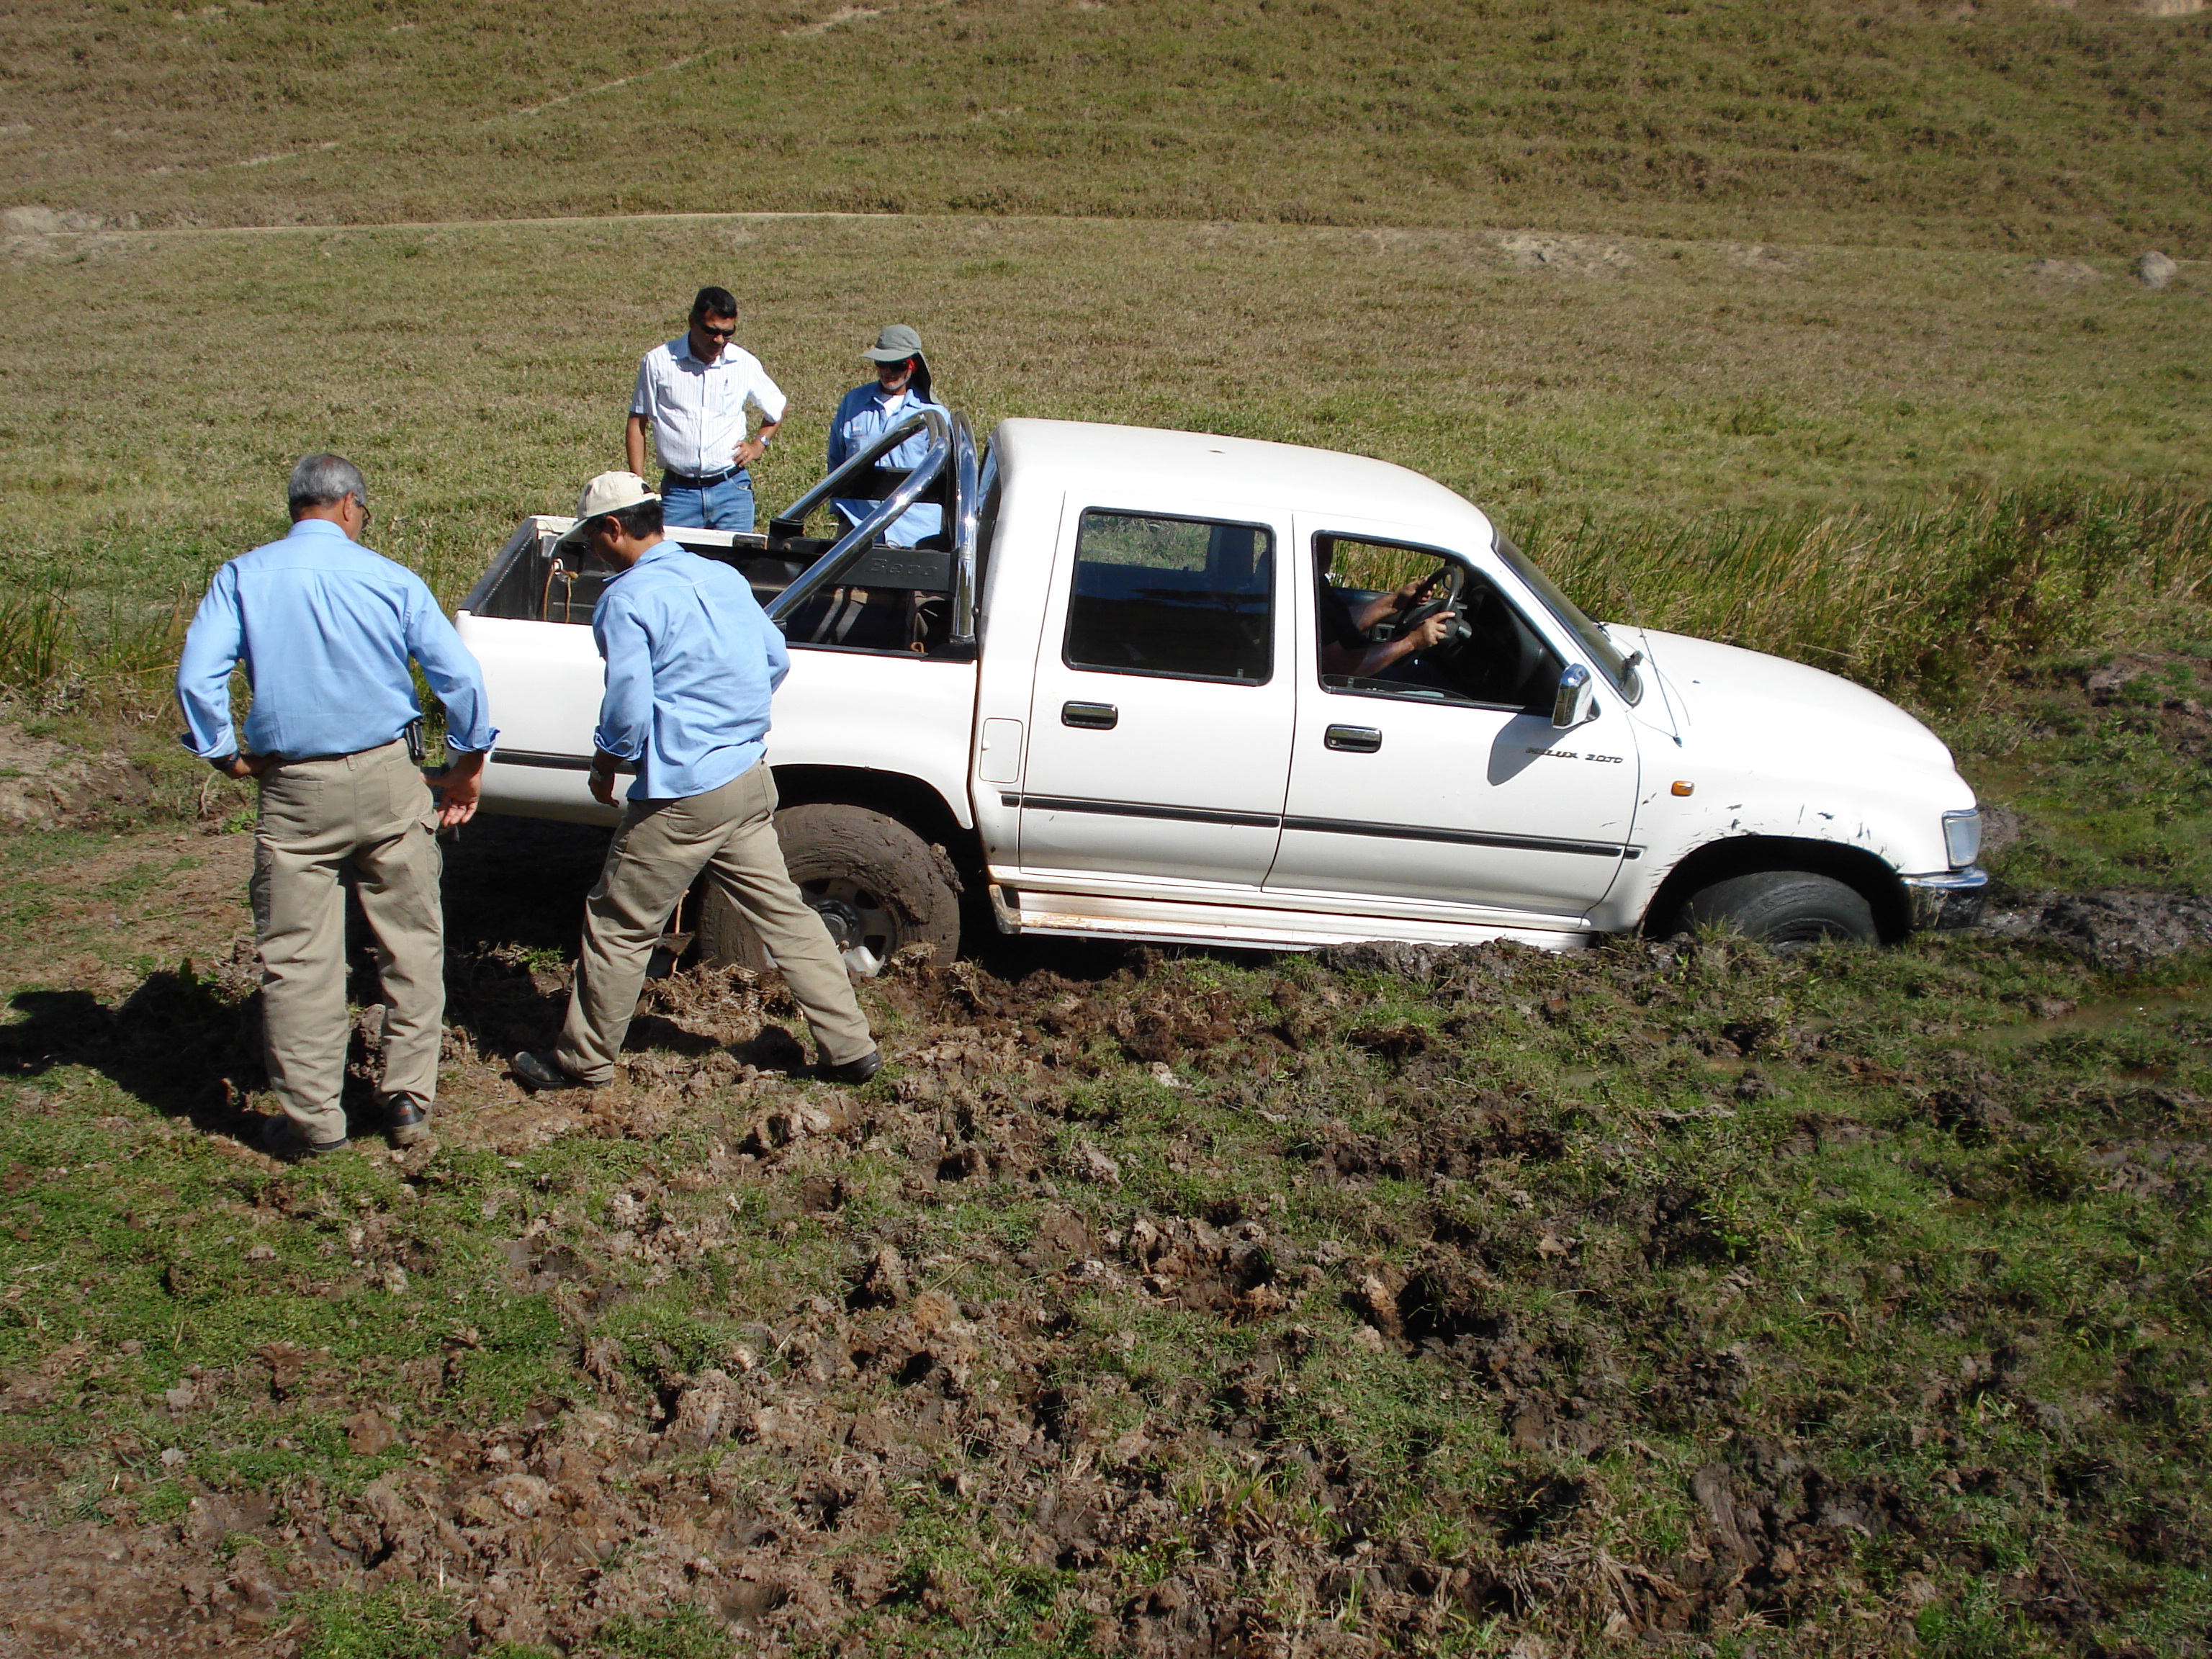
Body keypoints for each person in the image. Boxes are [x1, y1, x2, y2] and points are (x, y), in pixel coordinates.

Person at [511, 473, 880, 1094]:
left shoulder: (627, 600)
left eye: (593, 540)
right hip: (746, 777)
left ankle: (582, 1061)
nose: (593, 553)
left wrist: (607, 763)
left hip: (684, 795)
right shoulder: (721, 576)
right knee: (787, 915)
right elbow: (775, 659)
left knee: (619, 923)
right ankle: (851, 1047)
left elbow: (627, 704)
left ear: (613, 528)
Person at [176, 454, 497, 1160]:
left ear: (299, 508)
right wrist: (469, 766)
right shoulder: (388, 578)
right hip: (389, 777)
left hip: (295, 789)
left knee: (298, 958)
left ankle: (315, 1120)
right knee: (410, 943)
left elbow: (198, 677)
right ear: (350, 506)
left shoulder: (243, 577)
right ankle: (408, 1098)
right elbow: (461, 679)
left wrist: (225, 752)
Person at [626, 286, 786, 534]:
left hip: (732, 490)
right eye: (711, 332)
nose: (719, 341)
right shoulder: (658, 362)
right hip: (679, 494)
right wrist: (637, 485)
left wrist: (759, 444)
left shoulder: (743, 363)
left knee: (733, 567)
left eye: (727, 333)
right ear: (692, 322)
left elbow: (778, 407)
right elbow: (637, 422)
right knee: (677, 568)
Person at [826, 323, 952, 548]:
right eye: (881, 364)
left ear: (913, 364)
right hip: (858, 525)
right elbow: (836, 459)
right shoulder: (852, 402)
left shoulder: (935, 414)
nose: (888, 372)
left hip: (918, 533)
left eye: (897, 365)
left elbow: (949, 474)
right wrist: (841, 513)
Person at [1318, 559, 1453, 679]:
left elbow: (1344, 624)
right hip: (1351, 683)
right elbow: (1341, 668)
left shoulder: (1316, 581)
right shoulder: (1304, 590)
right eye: (1326, 541)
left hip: (1361, 671)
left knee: (1426, 672)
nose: (1328, 548)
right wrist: (1412, 641)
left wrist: (1397, 601)